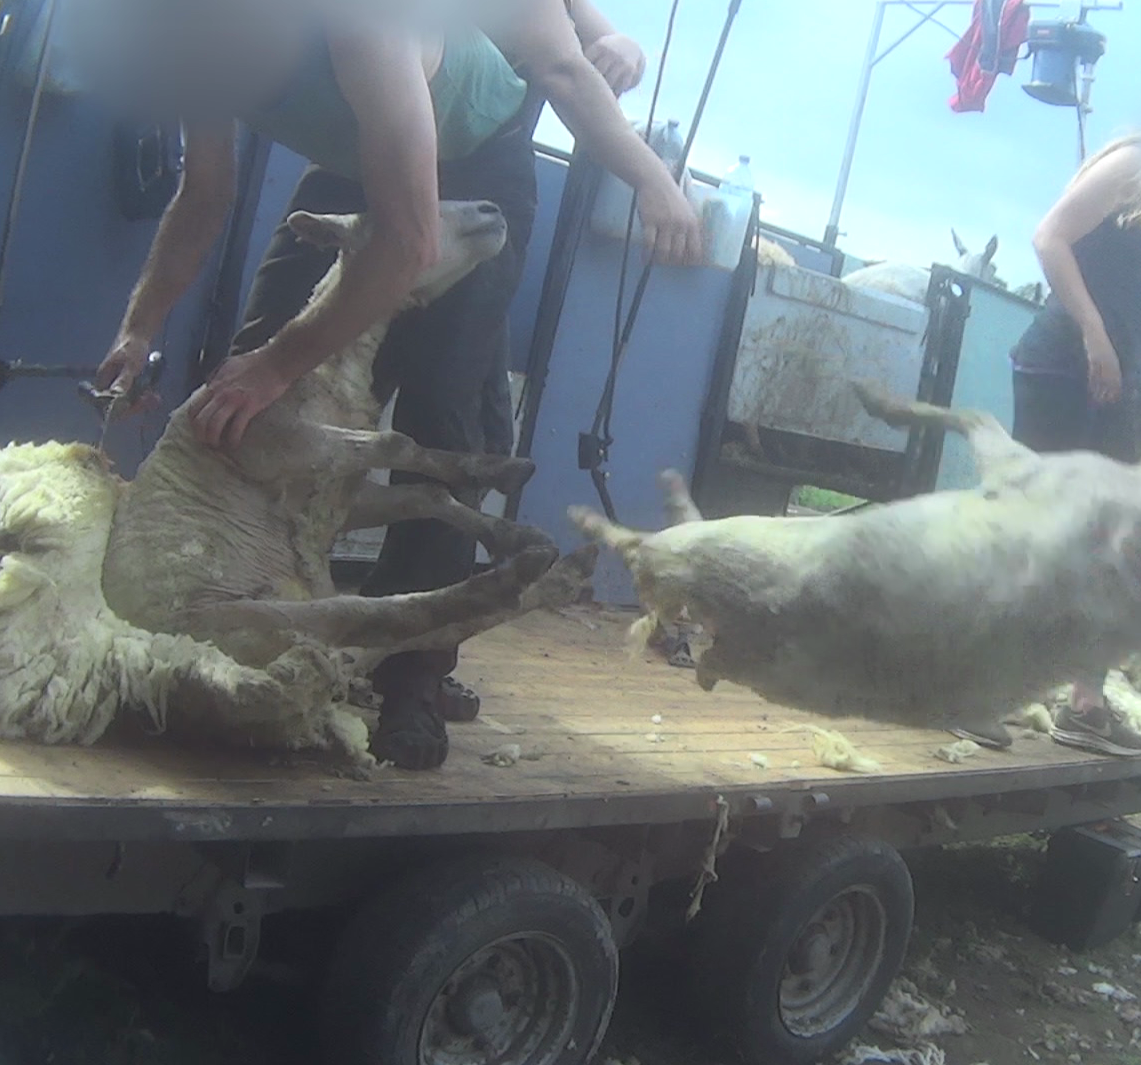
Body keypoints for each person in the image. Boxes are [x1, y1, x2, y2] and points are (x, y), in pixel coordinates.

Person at [93, 0, 701, 770]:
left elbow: (417, 232)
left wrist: (652, 180)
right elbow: (204, 194)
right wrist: (140, 327)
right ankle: (232, 603)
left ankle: (413, 676)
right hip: (360, 152)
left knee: (441, 411)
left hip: (476, 158)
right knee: (243, 378)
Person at [1007, 133, 1141, 756]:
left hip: (1122, 382)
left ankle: (1085, 702)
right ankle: (970, 686)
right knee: (1032, 528)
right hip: (1066, 363)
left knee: (1115, 541)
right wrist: (1094, 335)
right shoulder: (1132, 163)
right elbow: (1049, 237)